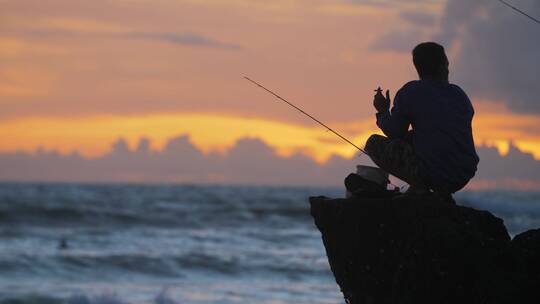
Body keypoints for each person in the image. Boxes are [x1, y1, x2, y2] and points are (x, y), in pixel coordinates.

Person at [365, 42, 479, 195]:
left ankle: (420, 188)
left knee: (373, 142)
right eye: (446, 65)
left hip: (433, 174)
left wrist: (383, 111)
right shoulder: (460, 95)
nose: (448, 70)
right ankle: (432, 192)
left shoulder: (411, 92)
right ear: (441, 67)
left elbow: (394, 132)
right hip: (463, 174)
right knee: (414, 137)